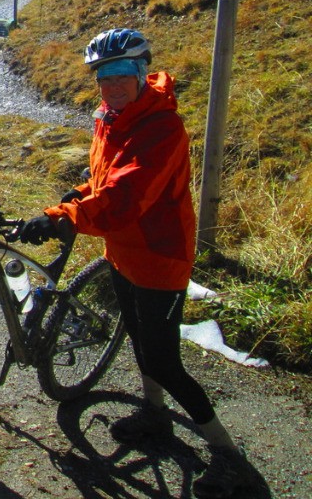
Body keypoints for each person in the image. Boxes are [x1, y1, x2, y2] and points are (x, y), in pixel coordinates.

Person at [19, 28, 251, 499]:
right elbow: (106, 180)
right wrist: (79, 196)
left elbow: (127, 196)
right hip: (122, 252)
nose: (114, 84)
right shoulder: (111, 117)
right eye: (105, 76)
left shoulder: (162, 128)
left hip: (159, 257)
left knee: (165, 361)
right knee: (140, 342)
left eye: (123, 73)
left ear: (143, 71)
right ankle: (155, 415)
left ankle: (229, 456)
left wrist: (64, 218)